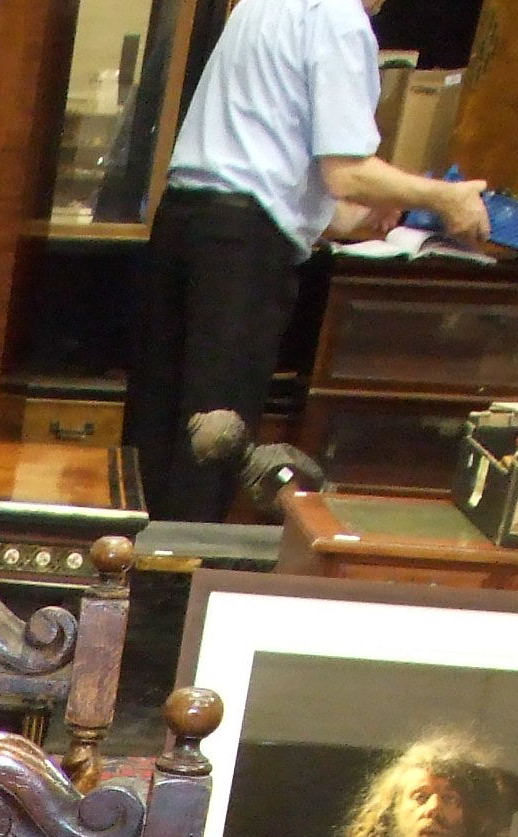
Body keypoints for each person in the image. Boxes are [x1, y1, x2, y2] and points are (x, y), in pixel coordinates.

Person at [125, 0, 492, 521]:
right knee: (212, 444)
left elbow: (273, 166)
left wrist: (356, 216)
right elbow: (347, 172)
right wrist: (446, 198)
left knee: (155, 436)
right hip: (241, 255)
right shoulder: (338, 17)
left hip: (185, 224)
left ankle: (128, 587)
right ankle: (177, 593)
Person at [335, 735, 515, 837]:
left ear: (474, 814)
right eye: (420, 797)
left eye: (449, 798)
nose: (433, 808)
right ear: (391, 811)